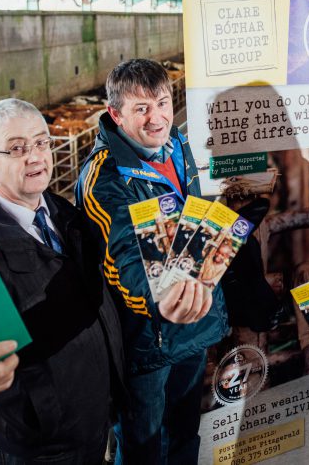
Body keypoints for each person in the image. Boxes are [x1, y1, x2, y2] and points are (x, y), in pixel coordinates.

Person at [0, 98, 125, 465]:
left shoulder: (61, 211)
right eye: (16, 148)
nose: (35, 157)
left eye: (42, 142)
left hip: (94, 416)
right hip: (45, 445)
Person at [76, 59, 227, 465]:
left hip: (193, 323)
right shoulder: (105, 178)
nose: (156, 118)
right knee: (143, 445)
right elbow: (121, 257)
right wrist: (161, 302)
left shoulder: (178, 144)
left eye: (162, 103)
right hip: (148, 338)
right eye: (141, 108)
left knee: (185, 434)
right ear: (115, 114)